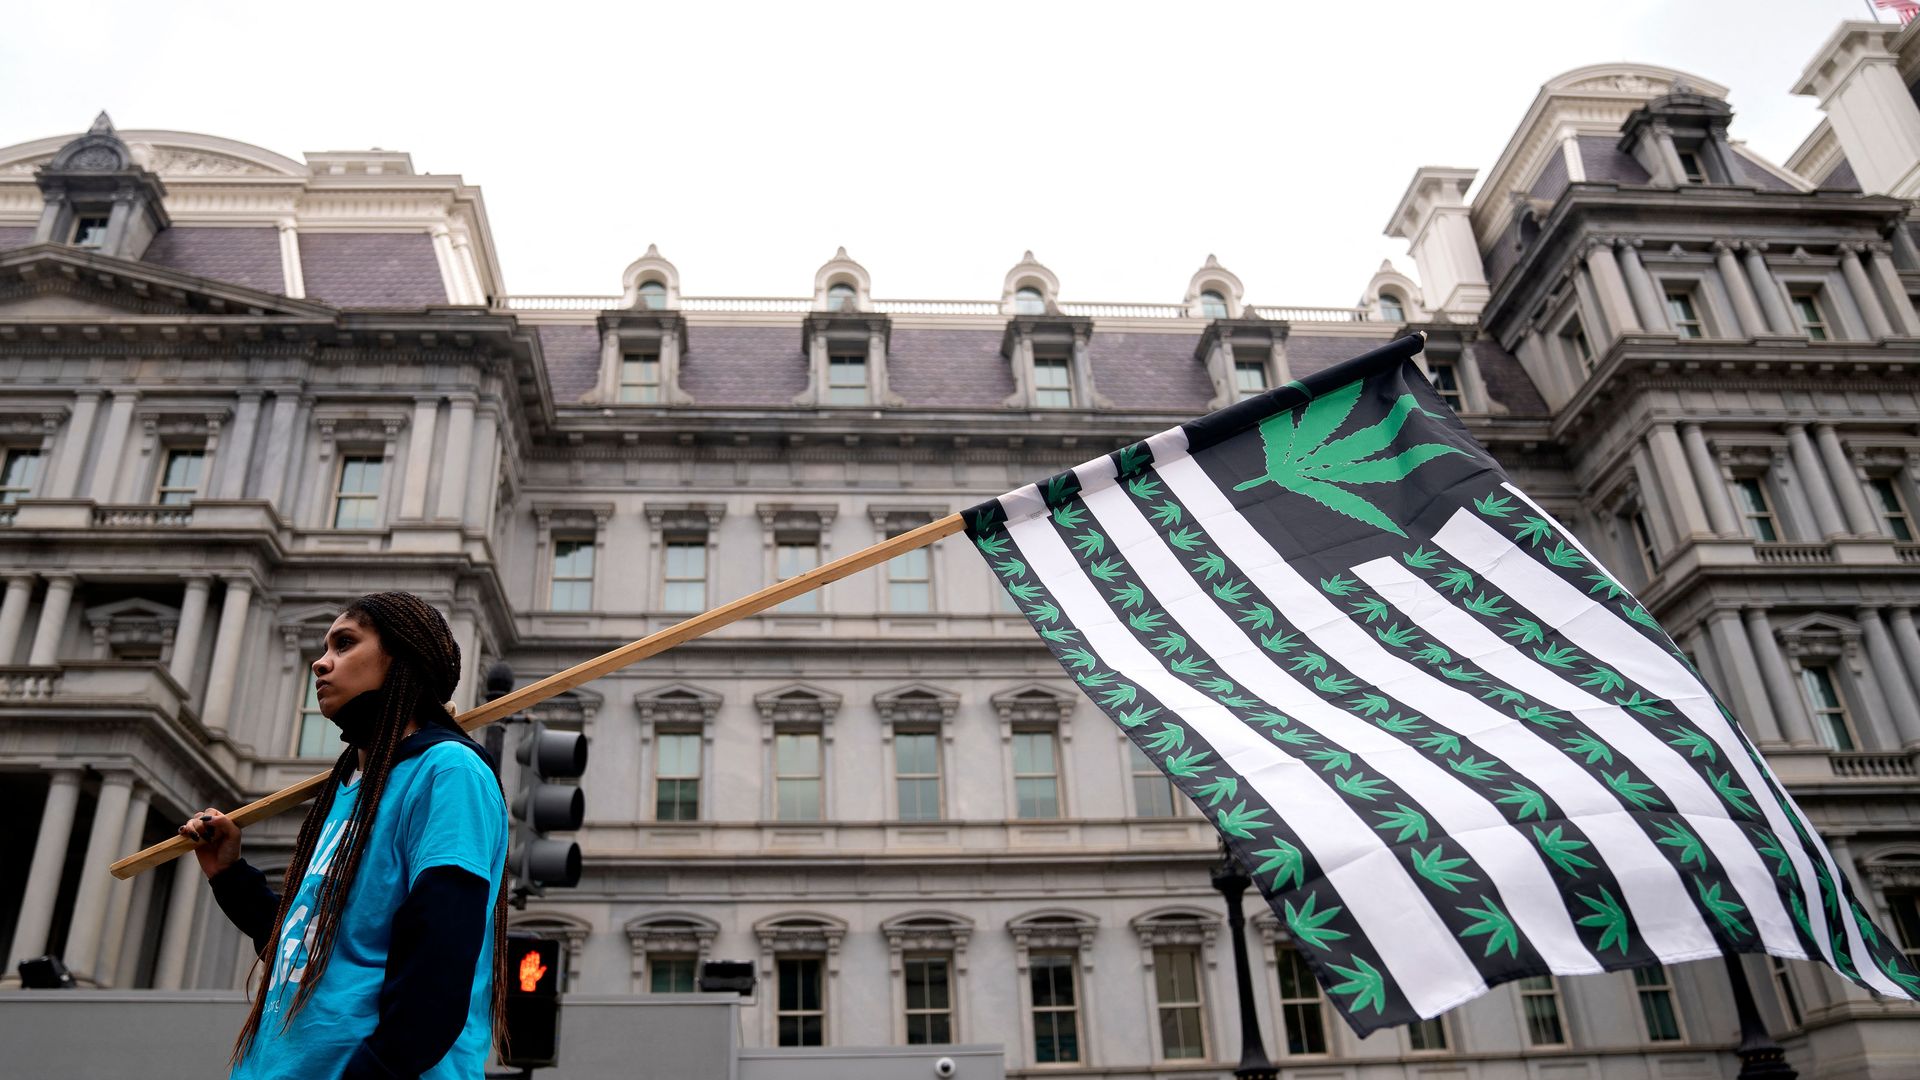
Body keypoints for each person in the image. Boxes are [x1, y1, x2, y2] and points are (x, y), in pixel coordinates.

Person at [178, 592, 509, 1079]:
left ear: (402, 658)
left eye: (344, 644)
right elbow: (308, 949)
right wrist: (229, 875)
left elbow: (437, 969)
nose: (320, 662)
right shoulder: (350, 787)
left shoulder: (449, 772)